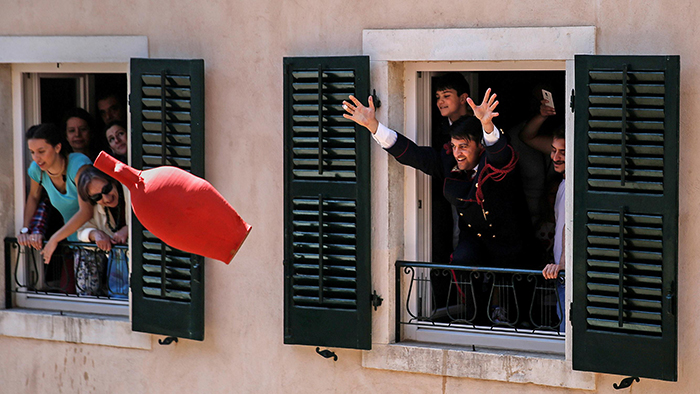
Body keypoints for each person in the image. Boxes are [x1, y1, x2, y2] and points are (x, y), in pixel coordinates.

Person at [344, 89, 541, 268]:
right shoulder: (447, 161)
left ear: (480, 146)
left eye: (463, 146)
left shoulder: (493, 161)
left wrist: (487, 125)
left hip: (513, 242)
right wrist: (374, 126)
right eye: (454, 146)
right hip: (475, 242)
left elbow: (499, 152)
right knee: (463, 261)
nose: (457, 153)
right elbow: (413, 154)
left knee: (517, 291)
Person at [519, 97, 566, 332]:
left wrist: (563, 265)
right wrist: (542, 116)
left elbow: (573, 226)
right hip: (560, 273)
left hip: (566, 274)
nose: (556, 157)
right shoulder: (564, 184)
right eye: (553, 151)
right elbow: (527, 137)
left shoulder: (577, 186)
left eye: (563, 152)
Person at [17, 124, 94, 265]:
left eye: (41, 151)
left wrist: (54, 239)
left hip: (97, 238)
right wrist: (25, 229)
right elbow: (33, 197)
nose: (36, 158)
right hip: (72, 242)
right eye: (32, 152)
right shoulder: (37, 170)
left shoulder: (79, 165)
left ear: (57, 148)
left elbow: (86, 211)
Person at [75, 167, 128, 296]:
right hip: (118, 267)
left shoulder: (129, 192)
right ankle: (88, 305)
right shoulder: (97, 207)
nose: (107, 198)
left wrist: (128, 230)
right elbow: (81, 232)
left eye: (106, 189)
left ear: (113, 181)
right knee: (84, 253)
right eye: (97, 196)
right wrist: (95, 234)